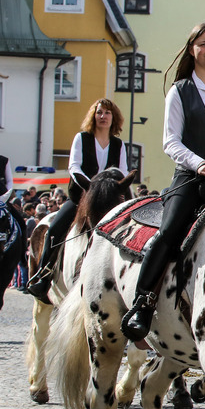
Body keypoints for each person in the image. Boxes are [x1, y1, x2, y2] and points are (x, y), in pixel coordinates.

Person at [120, 22, 205, 340]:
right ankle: (143, 303)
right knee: (169, 233)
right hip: (191, 179)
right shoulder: (180, 91)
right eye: (203, 44)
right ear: (192, 50)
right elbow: (171, 142)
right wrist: (199, 163)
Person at [27, 99, 129, 302]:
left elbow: (123, 170)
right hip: (81, 197)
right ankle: (43, 275)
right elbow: (74, 166)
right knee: (55, 228)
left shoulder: (118, 144)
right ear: (94, 116)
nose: (103, 116)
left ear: (113, 117)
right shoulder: (81, 138)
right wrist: (90, 184)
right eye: (99, 112)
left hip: (107, 202)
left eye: (107, 113)